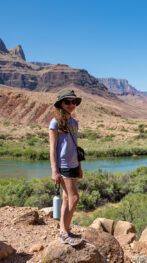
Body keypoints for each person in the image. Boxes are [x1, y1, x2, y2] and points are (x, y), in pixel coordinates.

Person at [49, 89, 83, 246]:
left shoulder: (74, 122)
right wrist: (54, 170)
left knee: (67, 198)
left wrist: (80, 166)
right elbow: (52, 147)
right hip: (63, 165)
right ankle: (64, 232)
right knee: (74, 198)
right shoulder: (55, 122)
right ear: (61, 104)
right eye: (67, 102)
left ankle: (65, 229)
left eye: (73, 102)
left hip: (74, 164)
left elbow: (75, 146)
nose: (71, 105)